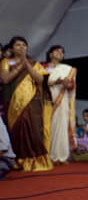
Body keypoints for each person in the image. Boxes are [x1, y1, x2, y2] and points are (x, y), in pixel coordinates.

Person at [0, 36, 53, 172]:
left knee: (35, 131)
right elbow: (5, 79)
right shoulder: (6, 62)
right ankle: (20, 160)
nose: (21, 47)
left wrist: (26, 64)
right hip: (12, 103)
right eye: (18, 45)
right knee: (17, 132)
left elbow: (41, 80)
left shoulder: (34, 63)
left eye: (24, 45)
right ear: (12, 48)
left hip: (32, 103)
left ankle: (36, 160)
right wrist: (19, 68)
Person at [45, 45, 76, 164]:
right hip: (46, 99)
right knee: (48, 127)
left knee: (61, 127)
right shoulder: (43, 67)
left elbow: (72, 86)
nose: (60, 53)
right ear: (50, 54)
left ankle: (60, 156)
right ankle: (47, 155)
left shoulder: (67, 69)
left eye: (62, 52)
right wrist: (57, 81)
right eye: (57, 51)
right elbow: (40, 82)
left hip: (61, 100)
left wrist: (68, 84)